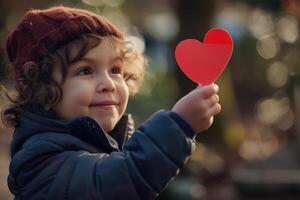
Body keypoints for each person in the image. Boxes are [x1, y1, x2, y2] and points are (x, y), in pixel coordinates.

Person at [2, 6, 221, 200]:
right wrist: (178, 125)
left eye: (115, 70)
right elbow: (120, 181)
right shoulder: (40, 160)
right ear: (40, 90)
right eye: (85, 70)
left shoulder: (107, 144)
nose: (108, 83)